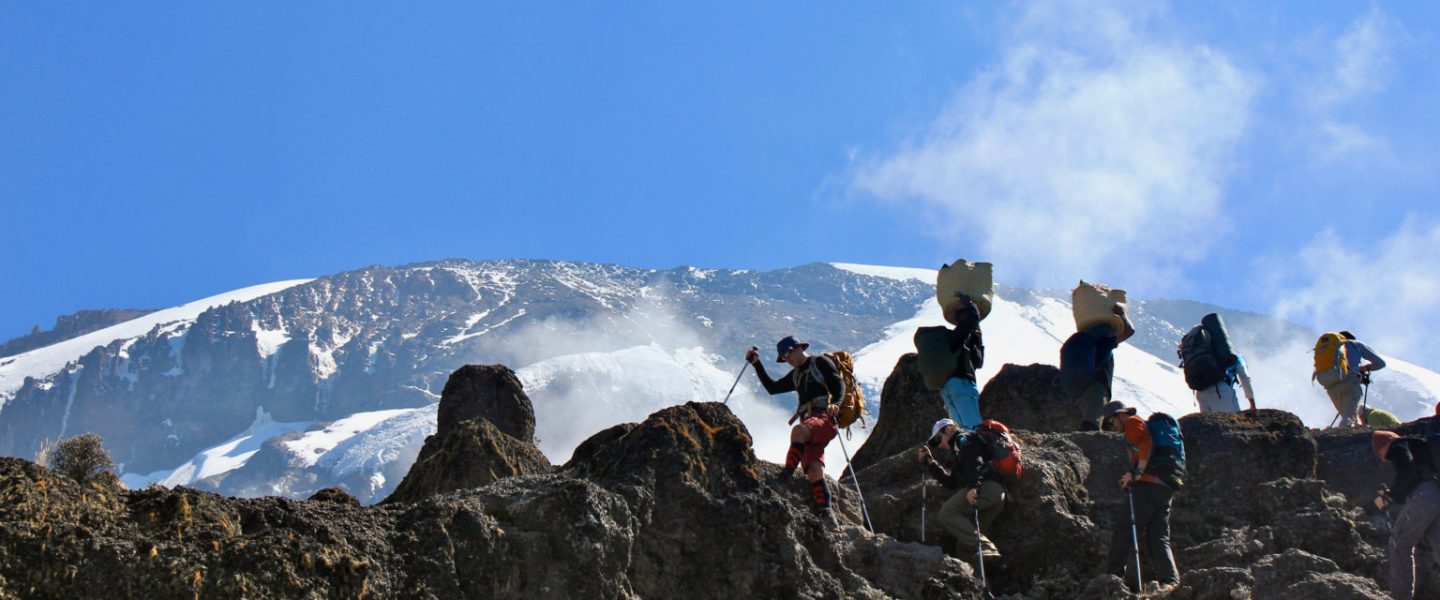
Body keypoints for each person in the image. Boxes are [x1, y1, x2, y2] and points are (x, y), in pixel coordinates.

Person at [746, 336, 843, 523]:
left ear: (798, 348)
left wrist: (836, 404)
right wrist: (756, 364)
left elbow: (839, 383)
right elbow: (773, 388)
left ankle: (784, 479)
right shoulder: (797, 374)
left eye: (788, 354)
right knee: (814, 469)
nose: (787, 359)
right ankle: (826, 513)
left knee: (798, 432)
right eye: (784, 357)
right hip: (811, 422)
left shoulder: (820, 362)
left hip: (824, 417)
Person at [1101, 401, 1180, 593]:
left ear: (1119, 415)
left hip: (1148, 485)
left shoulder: (1132, 422)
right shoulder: (1145, 426)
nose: (1113, 427)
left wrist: (1137, 473)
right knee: (1158, 536)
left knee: (1124, 528)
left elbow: (1146, 443)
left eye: (1111, 422)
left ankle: (1114, 578)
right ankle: (1170, 581)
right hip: (1165, 486)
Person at [917, 418, 1006, 564]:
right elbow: (951, 483)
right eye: (936, 443)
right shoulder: (958, 452)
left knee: (947, 512)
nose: (940, 445)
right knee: (965, 546)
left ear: (949, 429)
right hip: (996, 495)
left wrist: (973, 486)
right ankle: (978, 582)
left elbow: (974, 460)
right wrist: (931, 463)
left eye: (939, 439)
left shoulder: (962, 439)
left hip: (986, 487)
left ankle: (985, 546)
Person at [1373, 431, 1440, 599]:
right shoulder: (1422, 447)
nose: (1384, 458)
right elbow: (1413, 472)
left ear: (1384, 445)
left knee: (1399, 543)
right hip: (1436, 492)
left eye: (1380, 453)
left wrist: (1390, 496)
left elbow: (1406, 467)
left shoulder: (1397, 445)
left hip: (1423, 496)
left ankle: (1402, 596)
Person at [1061, 304, 1136, 431]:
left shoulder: (1079, 341)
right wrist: (1122, 314)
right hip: (1096, 387)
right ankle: (1089, 438)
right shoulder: (1104, 343)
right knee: (1091, 422)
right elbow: (1129, 331)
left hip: (1075, 389)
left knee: (1084, 417)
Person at [938, 294, 985, 429]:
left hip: (949, 388)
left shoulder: (956, 340)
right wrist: (970, 304)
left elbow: (978, 362)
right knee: (974, 427)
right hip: (962, 385)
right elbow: (973, 318)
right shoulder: (958, 336)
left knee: (962, 429)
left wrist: (977, 337)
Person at [1328, 331, 1387, 427]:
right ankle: (1344, 438)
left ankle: (1345, 432)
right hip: (1349, 381)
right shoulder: (1355, 344)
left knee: (1347, 413)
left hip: (1331, 384)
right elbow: (1381, 363)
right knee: (1349, 416)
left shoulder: (1332, 349)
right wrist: (1365, 368)